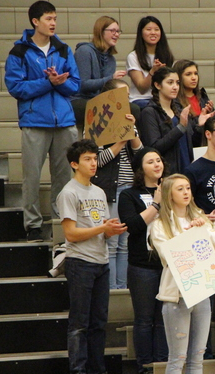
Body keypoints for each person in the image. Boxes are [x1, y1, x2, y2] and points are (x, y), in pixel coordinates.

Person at [5, 0, 80, 241]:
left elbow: (75, 85)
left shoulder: (63, 49)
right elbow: (16, 88)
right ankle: (33, 225)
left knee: (64, 176)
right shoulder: (19, 52)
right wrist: (48, 82)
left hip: (64, 121)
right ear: (35, 21)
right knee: (32, 176)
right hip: (35, 121)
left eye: (55, 19)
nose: (53, 23)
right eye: (49, 19)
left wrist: (60, 81)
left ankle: (61, 222)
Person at [57, 139, 127, 374]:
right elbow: (70, 234)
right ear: (74, 164)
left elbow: (100, 228)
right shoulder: (68, 192)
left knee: (99, 323)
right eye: (87, 159)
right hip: (80, 263)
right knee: (79, 324)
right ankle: (78, 370)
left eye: (95, 158)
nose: (93, 163)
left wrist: (110, 229)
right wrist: (102, 229)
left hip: (101, 261)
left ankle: (98, 369)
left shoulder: (98, 191)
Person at [151, 174, 215, 374]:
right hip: (177, 295)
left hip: (201, 292)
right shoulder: (159, 224)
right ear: (169, 194)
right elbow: (168, 256)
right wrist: (190, 233)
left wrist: (204, 230)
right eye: (180, 189)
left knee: (197, 357)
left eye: (188, 188)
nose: (186, 192)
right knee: (177, 358)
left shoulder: (198, 217)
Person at [118, 147, 168, 373]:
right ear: (140, 168)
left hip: (168, 264)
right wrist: (156, 204)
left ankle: (161, 364)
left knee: (164, 318)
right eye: (151, 162)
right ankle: (145, 367)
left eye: (159, 160)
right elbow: (133, 226)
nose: (157, 165)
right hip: (142, 266)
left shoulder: (170, 190)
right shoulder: (129, 195)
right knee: (144, 319)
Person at [92, 79, 143, 289]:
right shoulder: (97, 124)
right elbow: (98, 161)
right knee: (112, 243)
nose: (127, 100)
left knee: (125, 244)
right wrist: (120, 139)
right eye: (122, 96)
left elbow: (141, 156)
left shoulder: (130, 120)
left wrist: (132, 133)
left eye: (128, 96)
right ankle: (112, 290)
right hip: (109, 190)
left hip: (130, 189)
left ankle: (122, 288)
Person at [139, 66, 200, 174]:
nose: (175, 87)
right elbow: (155, 147)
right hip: (167, 173)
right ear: (157, 85)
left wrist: (200, 126)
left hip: (186, 170)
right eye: (170, 83)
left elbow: (190, 143)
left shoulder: (179, 110)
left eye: (177, 83)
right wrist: (180, 127)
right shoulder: (149, 112)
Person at [71, 15, 129, 128]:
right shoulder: (84, 51)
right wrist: (111, 78)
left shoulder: (111, 59)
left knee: (132, 108)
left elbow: (106, 90)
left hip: (99, 100)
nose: (116, 34)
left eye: (118, 31)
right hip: (79, 99)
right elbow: (83, 84)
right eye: (112, 31)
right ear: (100, 32)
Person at [127, 16, 174, 108]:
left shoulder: (166, 55)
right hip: (140, 99)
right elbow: (142, 88)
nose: (153, 33)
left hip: (161, 98)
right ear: (141, 33)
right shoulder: (133, 56)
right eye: (148, 29)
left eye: (156, 29)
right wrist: (153, 71)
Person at [173, 59, 215, 137]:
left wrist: (210, 116)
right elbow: (187, 130)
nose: (194, 77)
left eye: (195, 74)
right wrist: (200, 123)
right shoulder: (175, 101)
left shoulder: (203, 96)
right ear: (178, 77)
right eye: (188, 74)